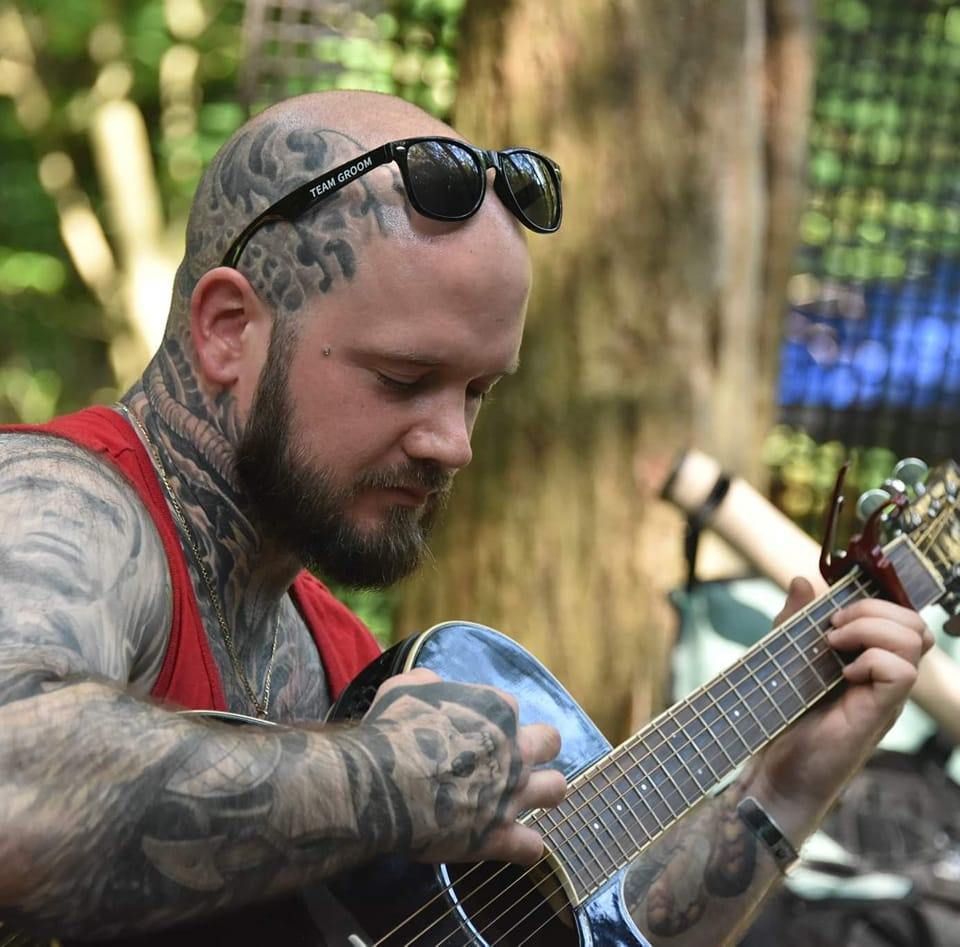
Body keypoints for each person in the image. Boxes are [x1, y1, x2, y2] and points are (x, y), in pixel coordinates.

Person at [0, 90, 931, 946]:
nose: (453, 443)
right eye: (405, 379)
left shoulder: (333, 652)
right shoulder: (58, 503)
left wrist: (783, 786)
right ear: (228, 329)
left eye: (478, 391)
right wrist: (385, 784)